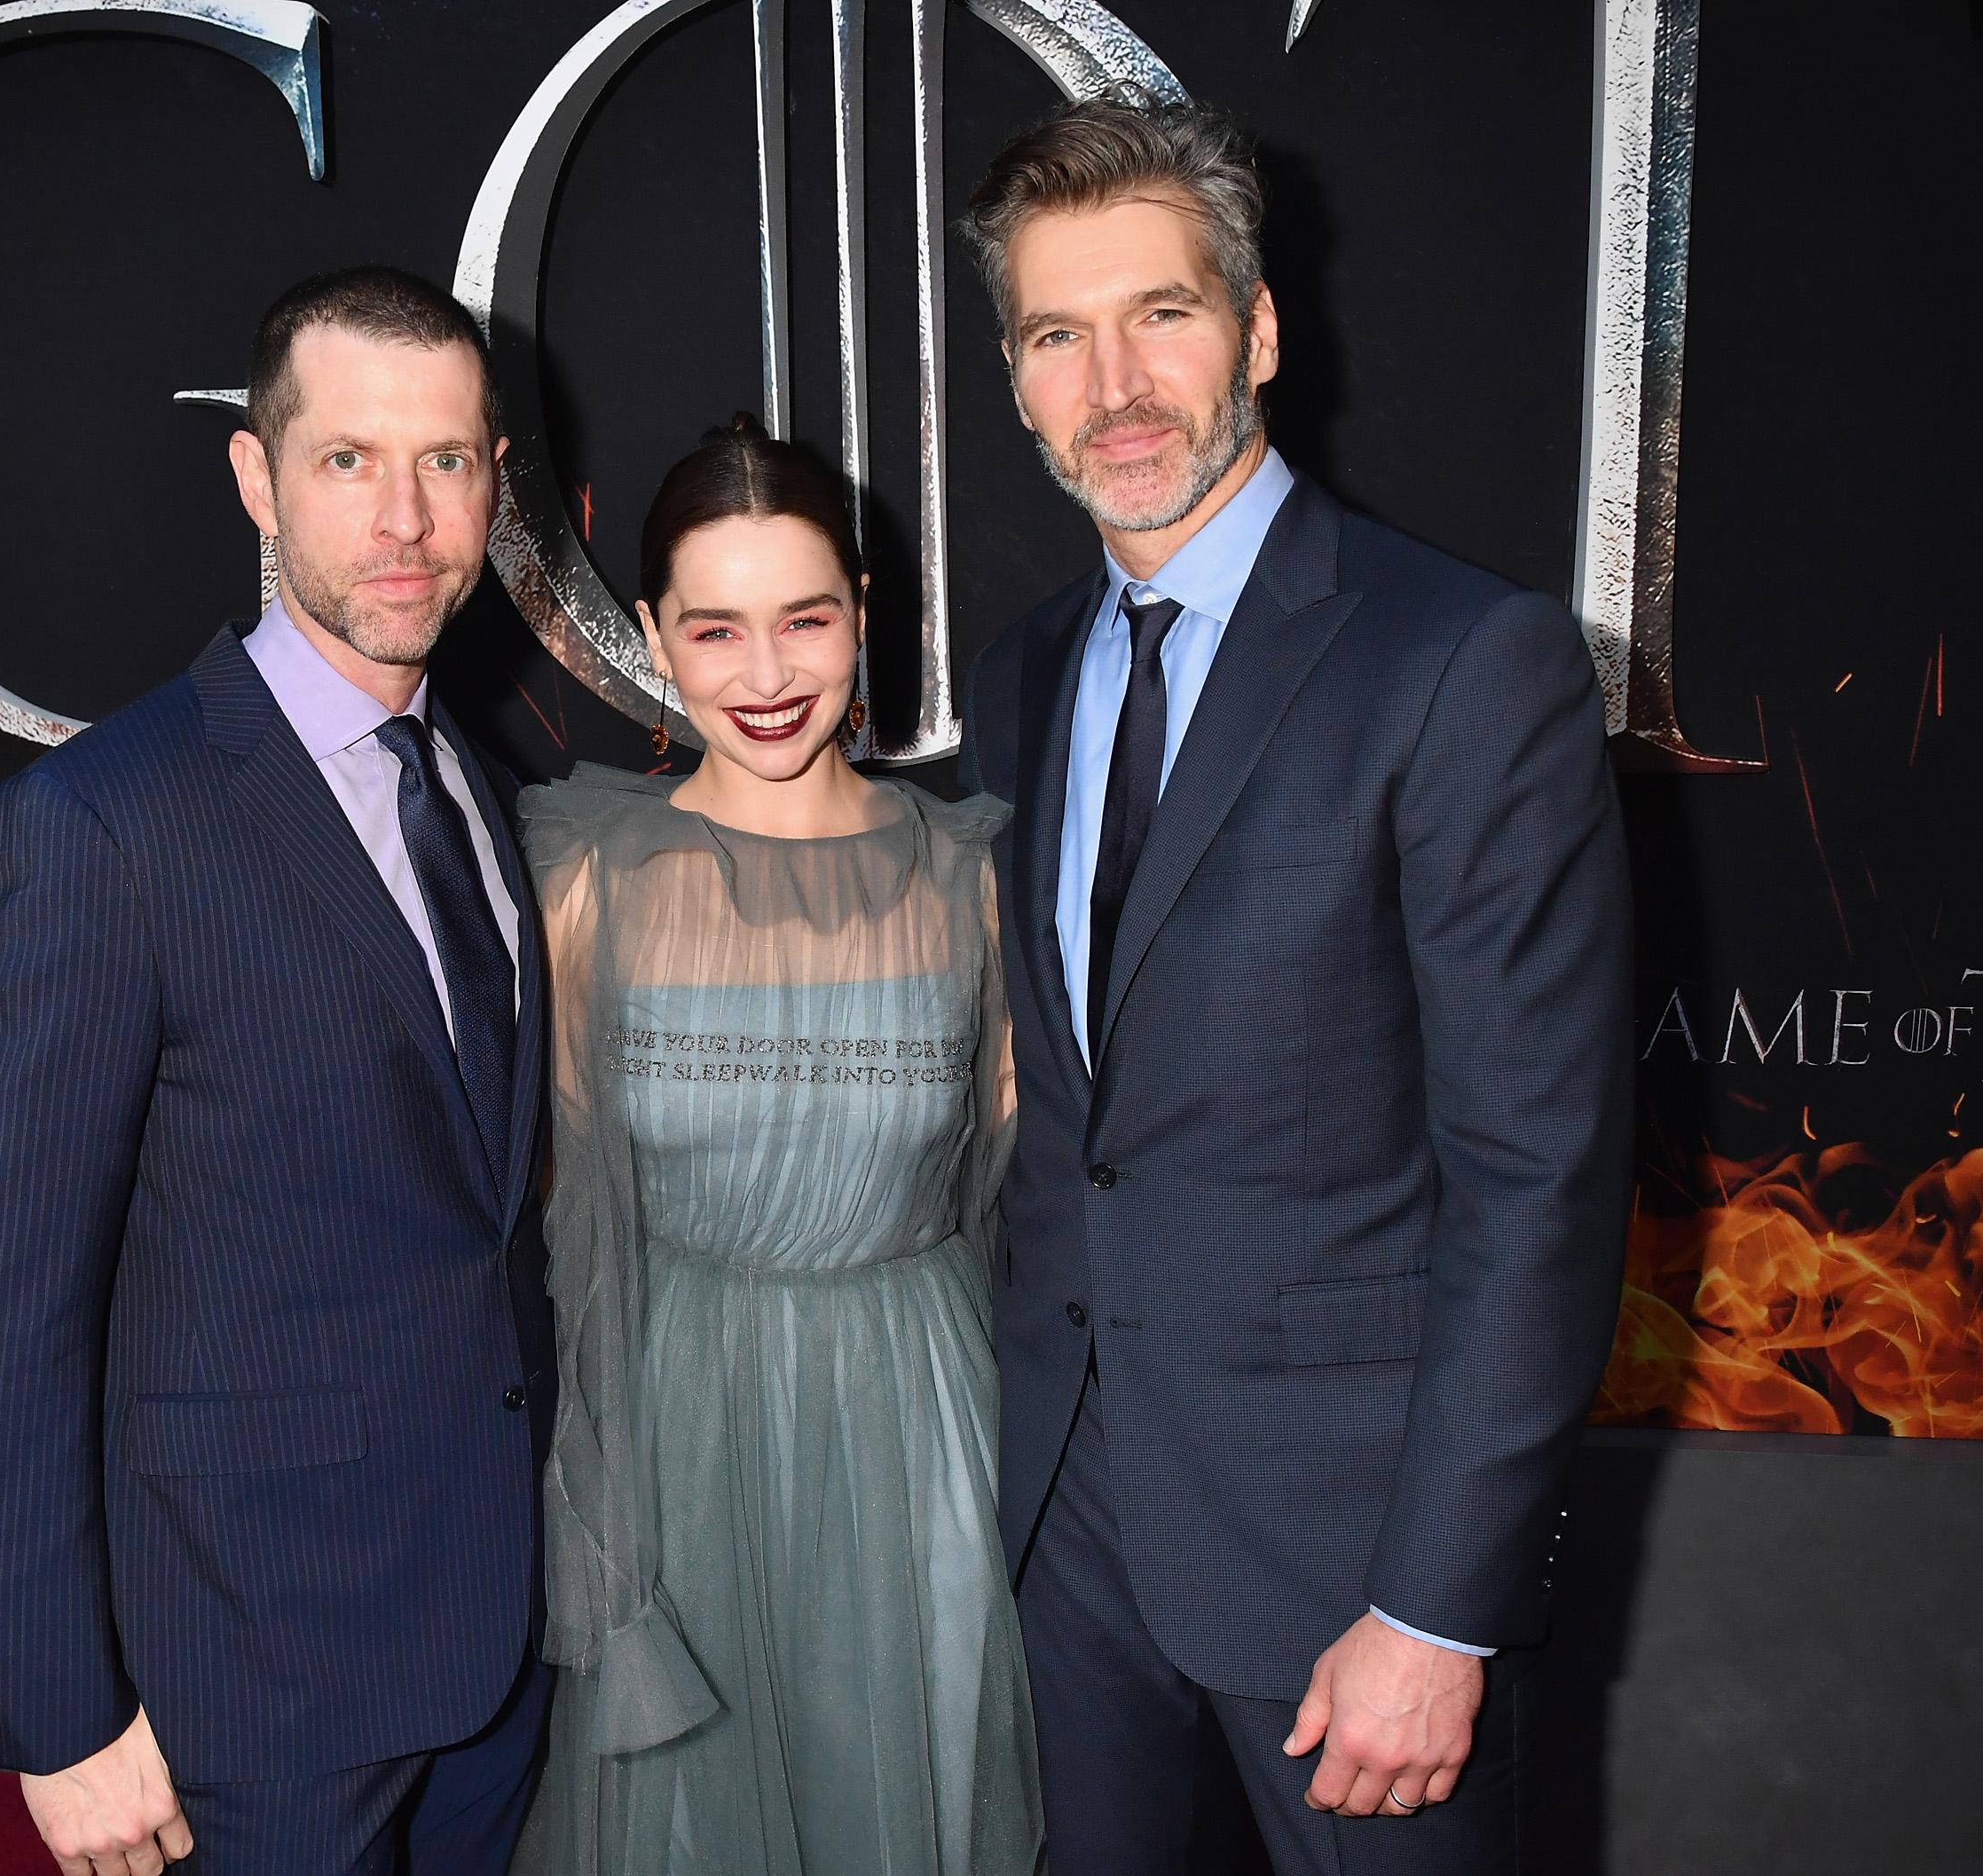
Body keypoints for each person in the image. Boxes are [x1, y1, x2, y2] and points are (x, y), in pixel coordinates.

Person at [954, 100, 1633, 1873]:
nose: (1113, 379)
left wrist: (1439, 1606)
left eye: (1161, 312)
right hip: (1067, 1536)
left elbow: (1537, 1176)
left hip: (1356, 1567)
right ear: (1016, 383)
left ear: (1258, 329)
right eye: (1053, 333)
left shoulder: (1463, 660)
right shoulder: (1025, 673)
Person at [0, 266, 556, 1876]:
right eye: (349, 460)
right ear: (257, 478)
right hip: (239, 1695)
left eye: (448, 461)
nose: (405, 517)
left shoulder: (474, 779)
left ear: (495, 482)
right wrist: (60, 1714)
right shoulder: (94, 829)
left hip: (486, 1647)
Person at [510, 417, 1043, 1874]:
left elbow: (1009, 1203)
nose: (766, 675)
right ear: (650, 634)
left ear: (863, 617)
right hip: (677, 1427)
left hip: (920, 1424)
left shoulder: (969, 882)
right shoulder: (585, 884)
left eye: (806, 619)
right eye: (715, 627)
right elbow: (571, 1233)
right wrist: (600, 1508)